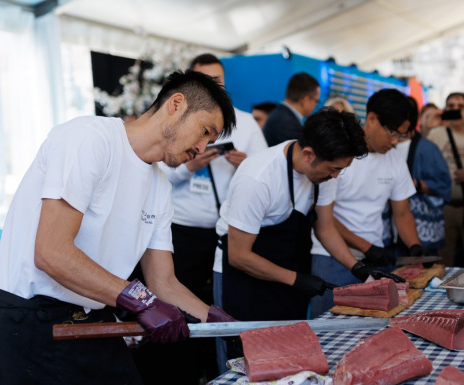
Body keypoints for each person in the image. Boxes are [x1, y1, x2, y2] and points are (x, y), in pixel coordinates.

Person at [0, 70, 237, 385]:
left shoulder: (158, 187)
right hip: (27, 330)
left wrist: (220, 322)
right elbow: (52, 252)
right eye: (205, 132)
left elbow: (163, 281)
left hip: (94, 331)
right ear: (176, 104)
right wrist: (138, 300)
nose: (203, 149)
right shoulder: (89, 139)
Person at [214, 108, 387, 330]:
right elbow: (239, 256)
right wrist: (296, 279)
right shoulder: (258, 178)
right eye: (334, 169)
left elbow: (324, 228)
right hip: (243, 279)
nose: (336, 176)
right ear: (308, 154)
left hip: (288, 273)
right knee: (244, 355)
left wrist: (357, 268)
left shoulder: (325, 175)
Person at [159, 53, 267, 304]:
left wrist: (246, 164)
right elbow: (157, 176)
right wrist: (188, 166)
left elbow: (264, 174)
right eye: (205, 79)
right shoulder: (175, 120)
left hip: (227, 228)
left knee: (222, 299)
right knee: (177, 300)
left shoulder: (247, 123)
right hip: (182, 227)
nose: (212, 85)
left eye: (217, 79)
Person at [309, 89, 429, 318]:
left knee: (375, 328)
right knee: (329, 329)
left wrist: (414, 246)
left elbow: (402, 214)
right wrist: (366, 247)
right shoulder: (340, 153)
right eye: (392, 133)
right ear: (371, 119)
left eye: (401, 136)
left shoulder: (394, 159)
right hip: (331, 256)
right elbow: (325, 219)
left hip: (375, 258)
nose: (394, 142)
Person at [383, 96, 451, 256]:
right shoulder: (382, 147)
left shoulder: (428, 149)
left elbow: (444, 186)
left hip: (421, 232)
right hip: (387, 233)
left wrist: (417, 184)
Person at [428, 92, 464, 266]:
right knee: (442, 260)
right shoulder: (436, 134)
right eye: (451, 107)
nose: (455, 110)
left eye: (460, 107)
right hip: (444, 207)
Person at [262, 72, 320, 146]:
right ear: (305, 100)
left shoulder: (280, 115)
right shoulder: (288, 125)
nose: (316, 105)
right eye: (316, 101)